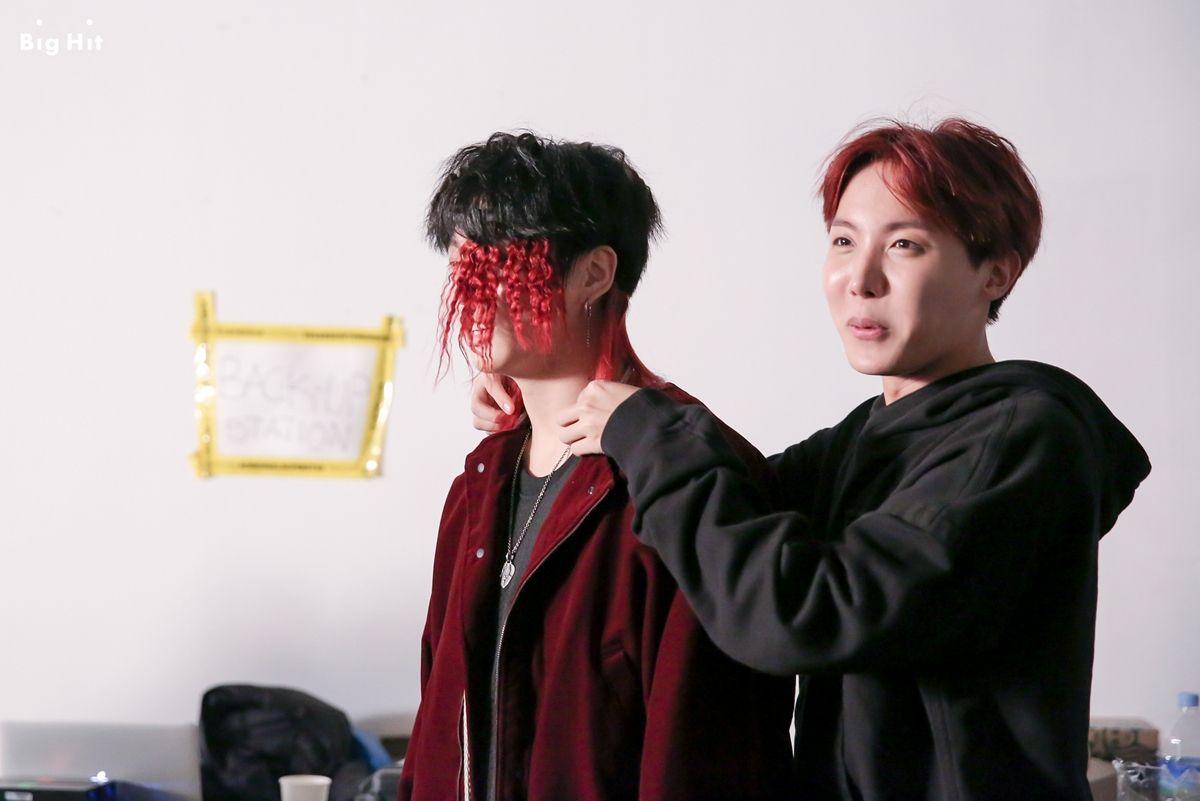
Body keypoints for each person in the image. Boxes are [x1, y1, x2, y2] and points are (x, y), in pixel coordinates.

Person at [470, 119, 1152, 800]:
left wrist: (645, 432)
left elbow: (804, 613)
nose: (861, 279)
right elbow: (728, 498)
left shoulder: (1021, 438)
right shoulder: (866, 439)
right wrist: (544, 393)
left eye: (905, 245)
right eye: (844, 241)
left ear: (996, 272)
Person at [399, 132, 795, 801]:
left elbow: (708, 755)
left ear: (594, 273)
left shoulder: (684, 474)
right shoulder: (479, 484)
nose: (470, 289)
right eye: (461, 259)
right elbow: (436, 729)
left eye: (501, 259)